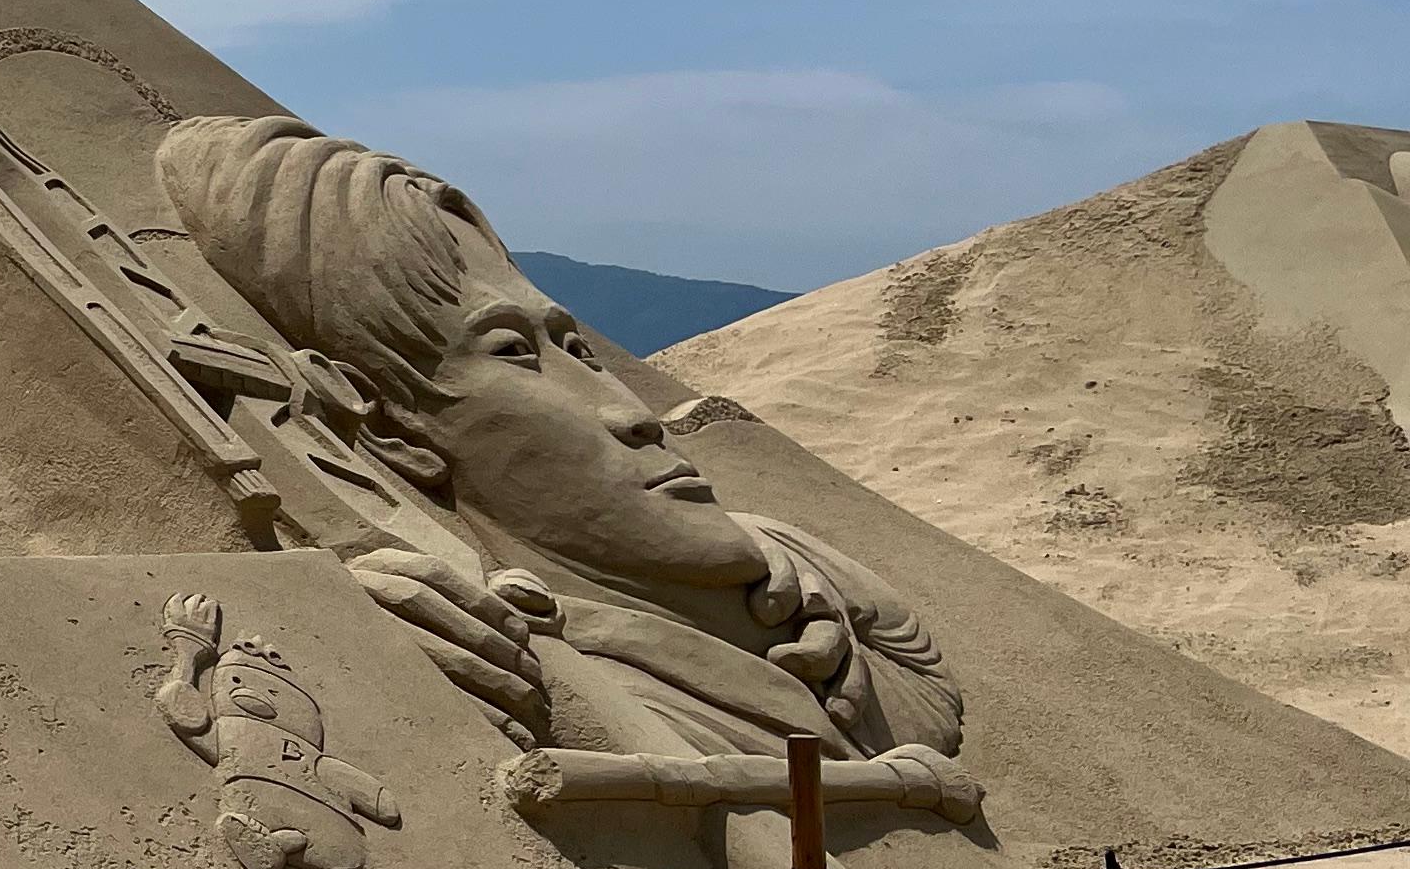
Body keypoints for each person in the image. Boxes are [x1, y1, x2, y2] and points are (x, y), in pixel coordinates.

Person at [155, 115, 962, 795]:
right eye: (512, 352)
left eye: (575, 347)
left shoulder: (789, 575)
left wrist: (820, 583)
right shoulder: (490, 645)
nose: (633, 413)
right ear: (398, 433)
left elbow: (929, 717)